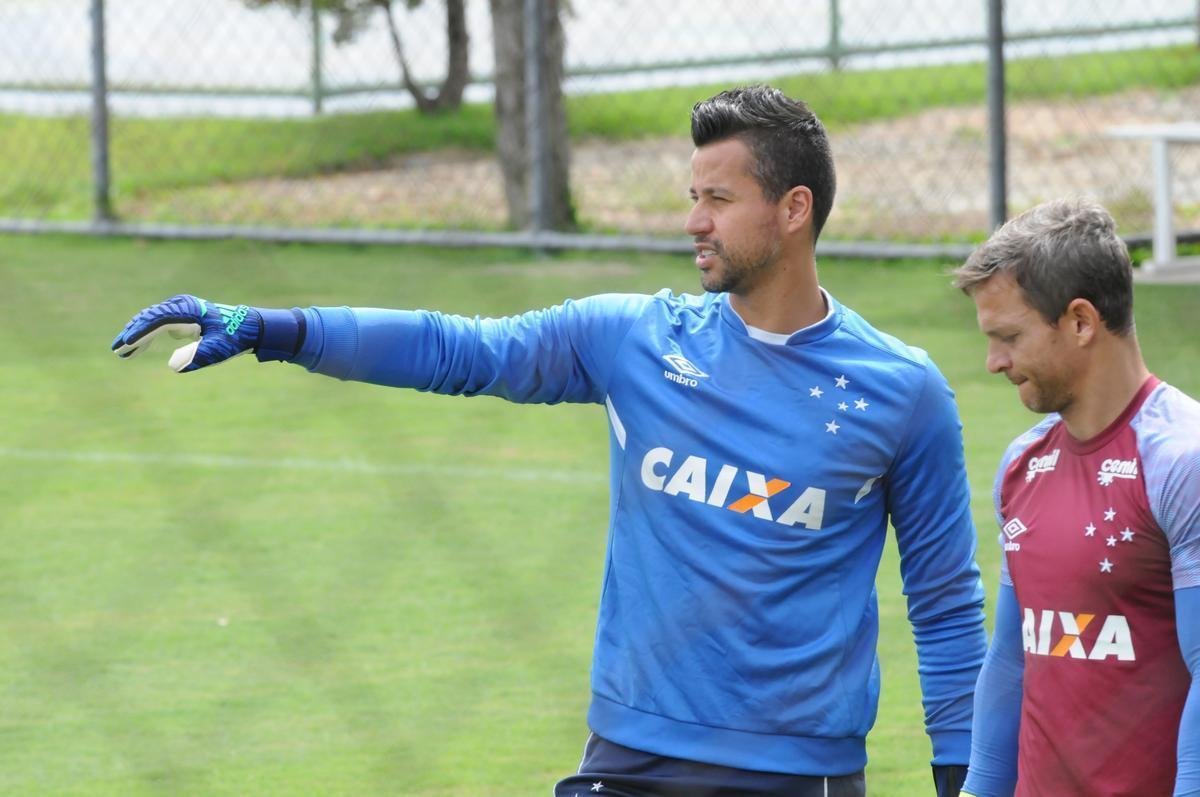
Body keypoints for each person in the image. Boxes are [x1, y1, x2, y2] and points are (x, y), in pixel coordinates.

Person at [112, 85, 985, 797]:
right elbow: (462, 349)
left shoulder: (900, 393)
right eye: (693, 197)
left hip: (798, 774)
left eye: (718, 199)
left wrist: (961, 777)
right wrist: (277, 328)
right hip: (630, 753)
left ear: (794, 209)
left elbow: (945, 603)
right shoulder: (638, 339)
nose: (694, 221)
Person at [953, 197, 1200, 797]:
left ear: (1081, 322)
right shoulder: (1023, 465)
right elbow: (1012, 660)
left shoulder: (1180, 462)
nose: (993, 362)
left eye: (1009, 336)